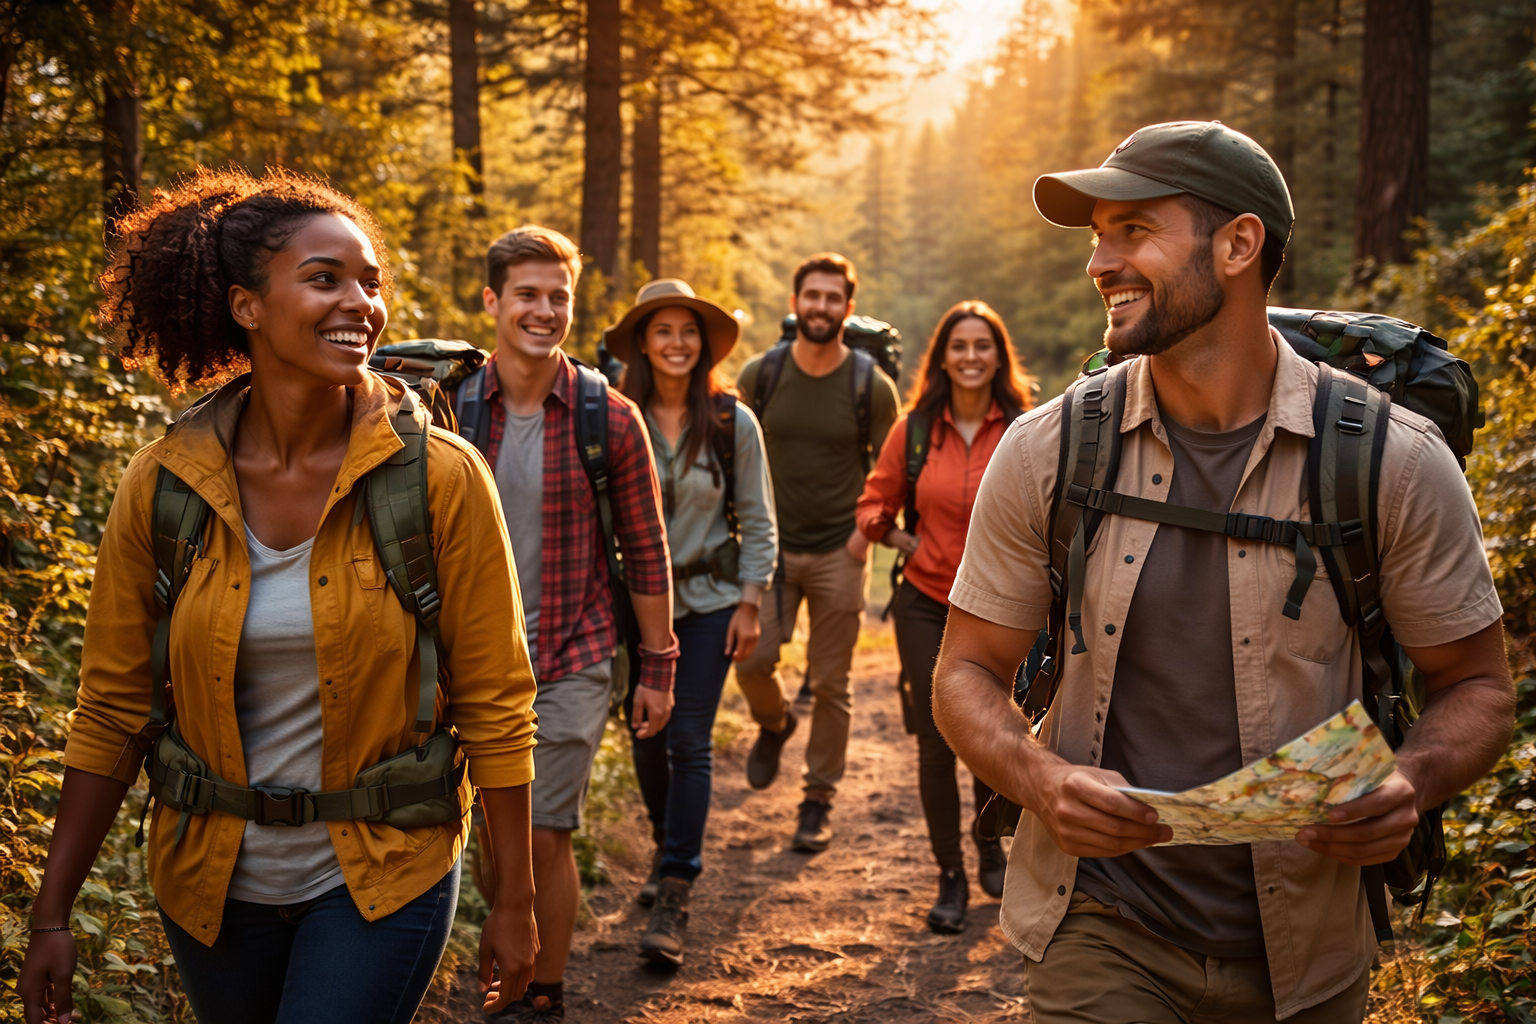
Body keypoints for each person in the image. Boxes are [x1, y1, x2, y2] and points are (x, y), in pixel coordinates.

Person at [933, 120, 1515, 1023]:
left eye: (1134, 230)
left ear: (1239, 244)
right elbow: (965, 672)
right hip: (1100, 925)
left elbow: (1477, 684)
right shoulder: (1051, 450)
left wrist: (1410, 780)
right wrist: (1039, 780)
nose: (1100, 261)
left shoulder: (1393, 463)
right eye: (1098, 235)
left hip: (1309, 953)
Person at [17, 168, 540, 1024]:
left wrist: (514, 902)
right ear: (246, 306)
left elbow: (496, 703)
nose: (361, 304)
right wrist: (52, 913)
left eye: (370, 282)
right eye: (325, 278)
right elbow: (112, 707)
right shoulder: (162, 485)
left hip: (384, 874)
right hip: (211, 886)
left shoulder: (441, 479)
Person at [457, 225, 676, 1021]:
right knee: (491, 839)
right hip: (468, 665)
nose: (544, 311)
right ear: (493, 301)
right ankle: (510, 935)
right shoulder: (448, 408)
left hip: (571, 653)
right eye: (527, 295)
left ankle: (539, 992)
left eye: (559, 297)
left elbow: (646, 549)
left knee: (544, 831)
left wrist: (658, 666)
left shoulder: (607, 417)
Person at [603, 278, 779, 965]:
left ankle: (677, 885)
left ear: (703, 343)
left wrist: (750, 602)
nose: (677, 344)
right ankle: (662, 841)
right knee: (643, 734)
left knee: (688, 738)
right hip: (629, 603)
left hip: (707, 604)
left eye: (688, 331)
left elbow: (759, 521)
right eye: (662, 331)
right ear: (643, 344)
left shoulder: (732, 420)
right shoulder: (615, 417)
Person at [855, 300, 1034, 934]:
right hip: (926, 599)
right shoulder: (916, 428)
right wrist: (895, 537)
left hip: (999, 605)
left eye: (982, 345)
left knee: (988, 729)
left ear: (998, 355)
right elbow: (874, 503)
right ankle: (950, 877)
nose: (970, 356)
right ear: (943, 356)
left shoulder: (1023, 426)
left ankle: (990, 841)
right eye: (958, 345)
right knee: (935, 739)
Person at [735, 253, 900, 852]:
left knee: (832, 684)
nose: (822, 307)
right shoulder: (761, 375)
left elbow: (894, 468)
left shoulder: (870, 386)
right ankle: (775, 723)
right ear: (795, 301)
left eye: (834, 299)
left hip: (840, 551)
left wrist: (867, 534)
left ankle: (816, 801)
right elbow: (730, 453)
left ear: (847, 309)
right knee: (752, 662)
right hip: (769, 551)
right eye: (813, 296)